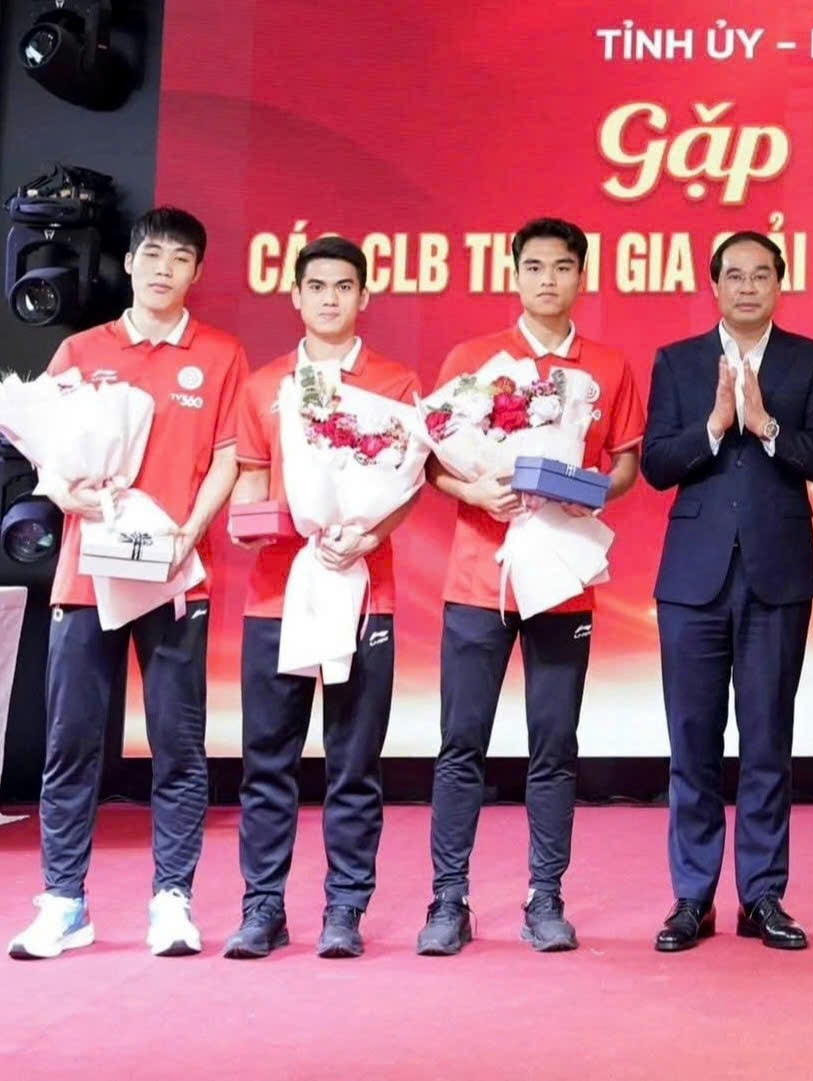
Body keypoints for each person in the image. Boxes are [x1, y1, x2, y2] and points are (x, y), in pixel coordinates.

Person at [9, 207, 245, 960]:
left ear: (197, 272)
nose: (163, 268)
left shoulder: (221, 354)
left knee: (178, 745)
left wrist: (189, 531)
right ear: (132, 262)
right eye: (152, 254)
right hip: (86, 576)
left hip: (174, 574)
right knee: (70, 742)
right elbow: (41, 448)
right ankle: (64, 901)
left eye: (180, 258)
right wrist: (64, 490)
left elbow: (229, 456)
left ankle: (172, 899)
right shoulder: (81, 350)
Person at [415, 217, 645, 956]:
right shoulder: (473, 360)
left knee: (554, 744)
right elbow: (431, 461)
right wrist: (474, 490)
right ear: (514, 275)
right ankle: (448, 899)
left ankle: (546, 896)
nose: (549, 279)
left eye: (563, 267)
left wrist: (591, 491)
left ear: (582, 277)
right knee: (461, 743)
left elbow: (625, 464)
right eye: (535, 267)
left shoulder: (607, 366)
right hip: (479, 576)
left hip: (563, 577)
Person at [221, 236, 420, 960]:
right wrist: (249, 525)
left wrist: (368, 534)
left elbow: (407, 483)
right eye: (317, 286)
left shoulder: (396, 383)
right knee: (267, 760)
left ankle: (345, 908)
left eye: (343, 286)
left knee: (354, 763)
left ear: (364, 296)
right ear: (295, 296)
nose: (330, 298)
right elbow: (250, 481)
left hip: (366, 590)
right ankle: (262, 907)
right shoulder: (264, 385)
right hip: (278, 594)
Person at [640, 231, 813, 952]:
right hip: (692, 578)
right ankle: (692, 897)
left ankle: (762, 895)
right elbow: (658, 464)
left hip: (777, 574)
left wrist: (766, 425)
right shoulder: (678, 360)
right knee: (691, 742)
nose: (748, 286)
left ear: (780, 284)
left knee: (766, 740)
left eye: (761, 275)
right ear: (715, 286)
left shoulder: (812, 360)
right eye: (735, 275)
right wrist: (716, 427)